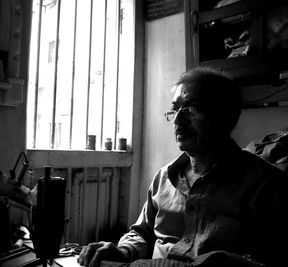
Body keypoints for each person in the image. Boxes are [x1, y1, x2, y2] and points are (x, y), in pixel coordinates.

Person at [77, 66, 287, 267]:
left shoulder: (268, 185)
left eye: (192, 108)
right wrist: (123, 251)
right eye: (175, 109)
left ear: (225, 115)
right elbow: (142, 233)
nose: (178, 120)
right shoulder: (164, 178)